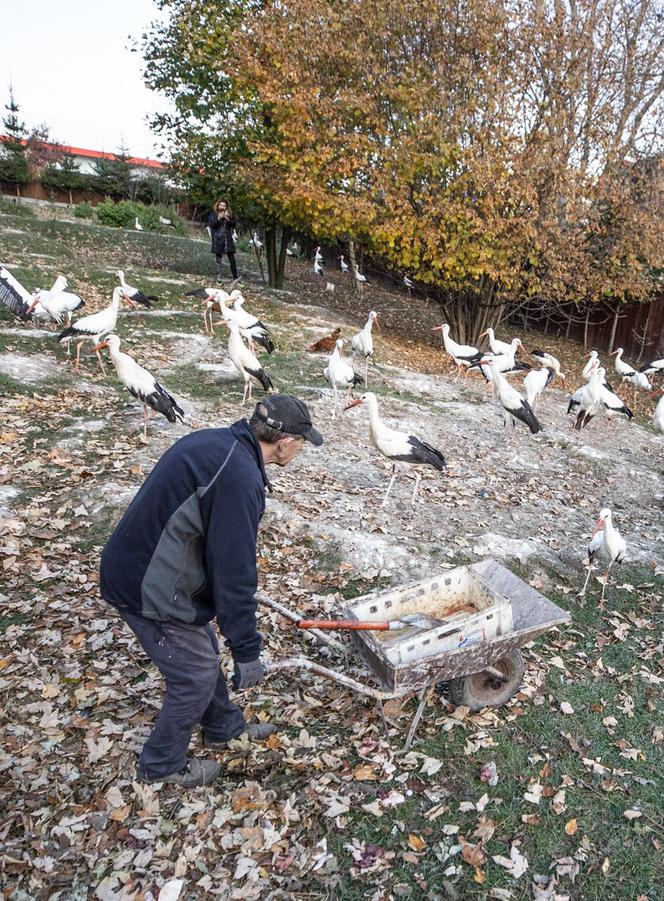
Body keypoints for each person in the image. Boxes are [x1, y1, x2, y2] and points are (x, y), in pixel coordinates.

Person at [100, 395, 323, 787]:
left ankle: (223, 727)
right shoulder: (239, 477)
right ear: (285, 443)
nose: (301, 451)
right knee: (195, 676)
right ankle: (160, 765)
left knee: (201, 650)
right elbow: (234, 572)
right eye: (303, 443)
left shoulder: (218, 443)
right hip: (145, 582)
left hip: (145, 563)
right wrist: (247, 649)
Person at [208, 198, 238, 282]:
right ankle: (218, 278)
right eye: (221, 205)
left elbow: (234, 224)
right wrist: (218, 218)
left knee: (232, 260)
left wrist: (228, 219)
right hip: (218, 239)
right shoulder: (213, 214)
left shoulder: (229, 214)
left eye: (224, 205)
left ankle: (235, 278)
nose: (222, 207)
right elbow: (212, 225)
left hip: (228, 240)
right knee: (218, 260)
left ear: (226, 207)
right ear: (218, 205)